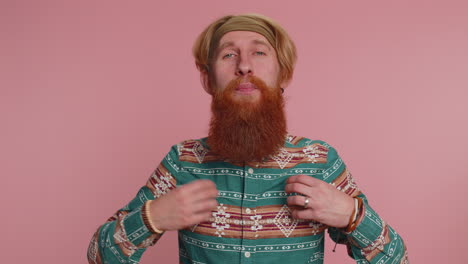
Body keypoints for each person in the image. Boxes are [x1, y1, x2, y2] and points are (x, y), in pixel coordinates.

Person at [87, 14, 408, 264]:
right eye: (228, 55)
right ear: (207, 78)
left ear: (283, 74)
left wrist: (352, 215)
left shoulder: (320, 161)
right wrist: (152, 217)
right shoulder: (182, 161)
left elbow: (397, 259)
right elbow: (98, 256)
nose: (244, 66)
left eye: (258, 52)